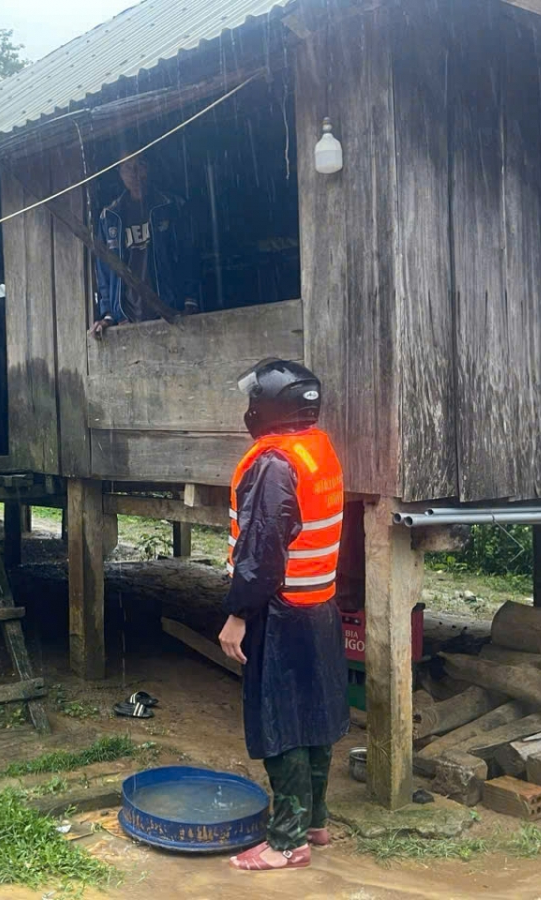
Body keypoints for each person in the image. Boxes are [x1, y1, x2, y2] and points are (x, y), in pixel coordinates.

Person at [218, 358, 349, 871]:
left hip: (280, 609)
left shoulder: (274, 464)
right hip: (318, 605)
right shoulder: (316, 452)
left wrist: (238, 614)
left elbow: (261, 552)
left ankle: (285, 842)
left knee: (282, 723)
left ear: (268, 408)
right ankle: (315, 820)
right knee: (316, 716)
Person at [91, 154, 200, 337]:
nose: (134, 174)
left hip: (168, 312)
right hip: (126, 318)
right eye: (127, 167)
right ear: (119, 173)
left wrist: (190, 301)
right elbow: (104, 271)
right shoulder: (109, 216)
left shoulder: (171, 206)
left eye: (139, 165)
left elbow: (187, 256)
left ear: (149, 167)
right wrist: (109, 315)